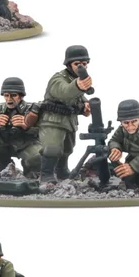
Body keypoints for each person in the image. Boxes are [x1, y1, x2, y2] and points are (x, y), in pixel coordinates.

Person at [37, 45, 92, 182]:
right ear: (69, 64)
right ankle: (46, 175)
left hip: (69, 120)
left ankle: (61, 171)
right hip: (53, 121)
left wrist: (85, 104)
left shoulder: (75, 78)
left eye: (84, 64)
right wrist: (78, 86)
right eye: (77, 64)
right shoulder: (58, 78)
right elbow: (64, 92)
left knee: (67, 148)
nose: (82, 67)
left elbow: (78, 97)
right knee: (53, 148)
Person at [0, 77, 41, 177]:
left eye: (13, 95)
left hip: (25, 144)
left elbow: (43, 129)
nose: (9, 99)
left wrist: (27, 126)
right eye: (6, 95)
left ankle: (29, 170)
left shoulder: (32, 109)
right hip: (3, 143)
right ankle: (5, 163)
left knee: (38, 155)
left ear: (20, 96)